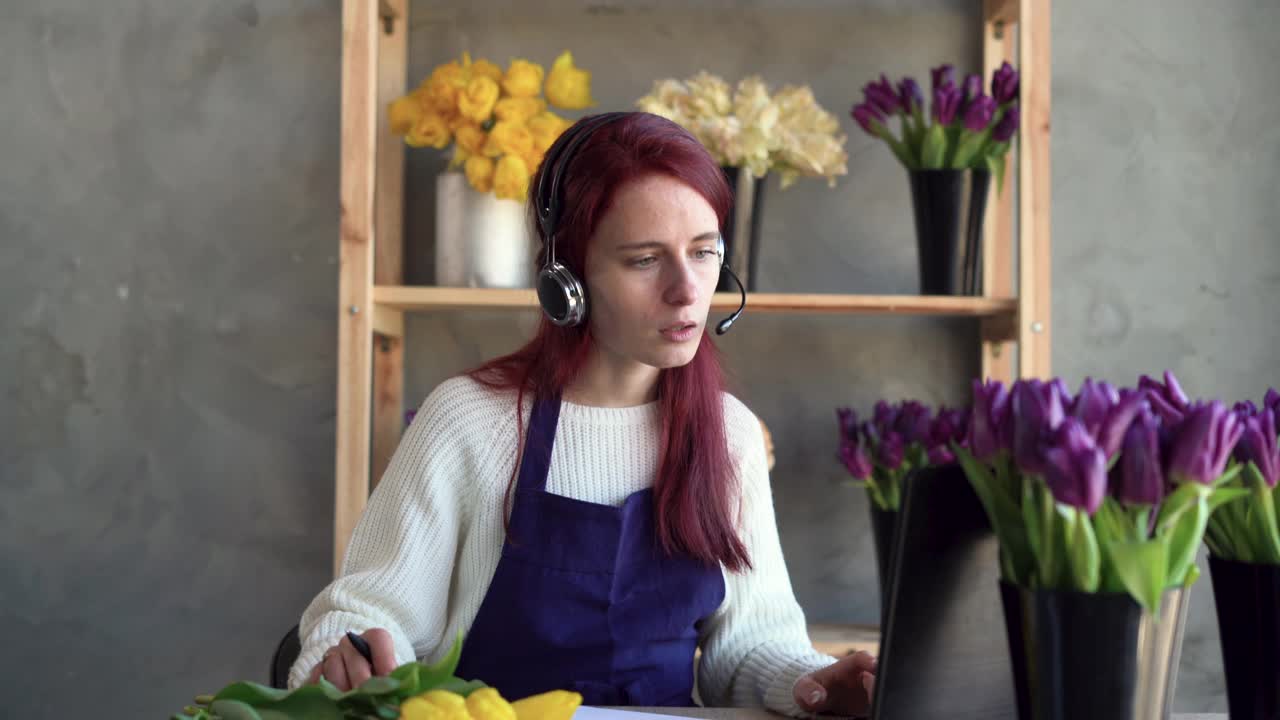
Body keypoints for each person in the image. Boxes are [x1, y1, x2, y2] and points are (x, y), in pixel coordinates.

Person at [289, 111, 876, 717]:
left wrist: (816, 685)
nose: (687, 290)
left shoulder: (730, 434)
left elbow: (749, 649)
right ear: (565, 279)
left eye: (703, 252)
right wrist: (345, 654)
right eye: (644, 260)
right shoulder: (470, 420)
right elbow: (368, 610)